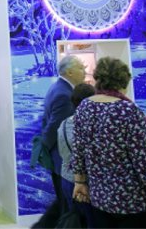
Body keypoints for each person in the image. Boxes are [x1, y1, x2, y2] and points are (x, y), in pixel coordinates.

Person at [71, 57, 146, 229]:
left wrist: (79, 182)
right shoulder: (128, 111)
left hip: (100, 202)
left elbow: (78, 150)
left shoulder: (84, 107)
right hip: (134, 205)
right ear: (123, 80)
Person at [33, 55, 85, 228]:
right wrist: (45, 149)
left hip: (58, 157)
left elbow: (48, 123)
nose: (85, 71)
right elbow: (57, 128)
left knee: (63, 203)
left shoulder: (57, 88)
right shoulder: (64, 94)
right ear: (69, 72)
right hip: (63, 159)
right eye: (81, 68)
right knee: (67, 207)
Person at [57, 83, 95, 227]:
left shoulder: (64, 124)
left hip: (67, 179)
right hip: (85, 182)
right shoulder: (91, 125)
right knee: (91, 222)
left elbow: (62, 151)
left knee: (75, 222)